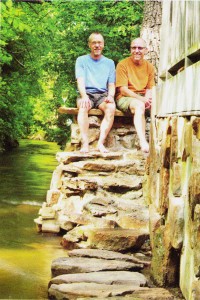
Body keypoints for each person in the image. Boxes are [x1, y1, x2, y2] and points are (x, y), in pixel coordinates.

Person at [75, 32, 116, 153]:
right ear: (89, 45)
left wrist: (111, 96)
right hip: (86, 93)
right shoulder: (81, 60)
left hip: (102, 95)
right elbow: (80, 81)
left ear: (103, 45)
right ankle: (85, 143)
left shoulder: (109, 63)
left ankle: (100, 143)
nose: (97, 45)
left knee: (111, 108)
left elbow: (111, 84)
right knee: (83, 107)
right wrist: (84, 96)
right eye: (94, 42)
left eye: (99, 43)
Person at [115, 37, 155, 153]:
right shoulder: (122, 65)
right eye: (134, 48)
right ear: (130, 49)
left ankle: (157, 140)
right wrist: (142, 100)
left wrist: (148, 99)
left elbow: (150, 88)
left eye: (140, 48)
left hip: (142, 97)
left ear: (146, 50)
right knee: (139, 105)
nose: (136, 50)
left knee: (160, 106)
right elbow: (123, 90)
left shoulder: (150, 67)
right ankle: (143, 141)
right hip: (125, 98)